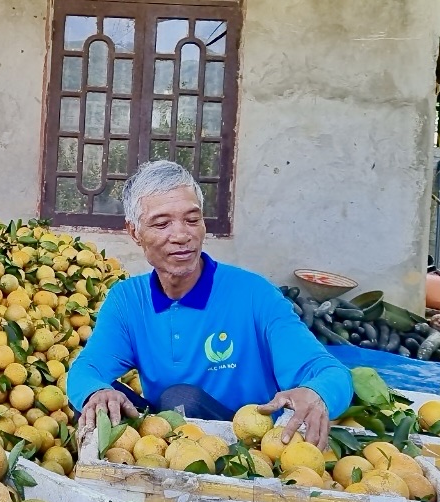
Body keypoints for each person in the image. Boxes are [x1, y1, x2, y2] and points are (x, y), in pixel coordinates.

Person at [67, 160, 352, 449]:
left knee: (180, 399)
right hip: (166, 445)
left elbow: (331, 372)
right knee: (96, 403)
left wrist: (315, 393)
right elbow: (86, 370)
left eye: (192, 219)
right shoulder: (128, 300)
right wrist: (96, 391)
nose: (181, 235)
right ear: (134, 232)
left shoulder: (254, 295)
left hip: (246, 448)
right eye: (162, 223)